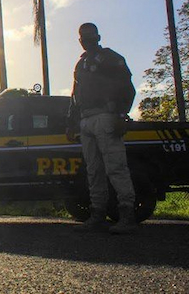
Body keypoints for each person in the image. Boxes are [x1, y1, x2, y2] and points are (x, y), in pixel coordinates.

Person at [66, 23, 137, 234]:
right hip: (86, 120)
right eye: (83, 37)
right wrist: (71, 122)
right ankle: (97, 213)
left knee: (116, 167)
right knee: (93, 170)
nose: (86, 40)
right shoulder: (80, 64)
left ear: (98, 36)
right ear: (79, 40)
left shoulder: (111, 58)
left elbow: (127, 87)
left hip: (107, 116)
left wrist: (121, 114)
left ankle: (127, 214)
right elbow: (75, 95)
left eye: (90, 36)